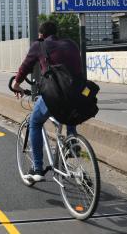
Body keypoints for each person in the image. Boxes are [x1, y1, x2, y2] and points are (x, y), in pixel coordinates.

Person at [12, 21, 82, 182]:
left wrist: (16, 84)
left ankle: (37, 168)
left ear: (41, 35)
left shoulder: (39, 45)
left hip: (56, 94)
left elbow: (25, 66)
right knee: (68, 112)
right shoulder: (71, 44)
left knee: (34, 122)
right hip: (79, 93)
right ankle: (72, 140)